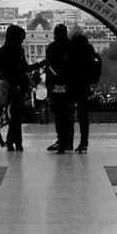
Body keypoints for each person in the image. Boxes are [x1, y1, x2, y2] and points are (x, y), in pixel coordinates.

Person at [0, 24, 30, 152]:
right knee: (16, 117)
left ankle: (12, 142)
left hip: (5, 88)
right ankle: (16, 143)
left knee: (13, 117)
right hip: (17, 87)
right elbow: (24, 68)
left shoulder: (0, 52)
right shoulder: (19, 51)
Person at [43, 24, 75, 153]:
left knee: (59, 116)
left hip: (56, 85)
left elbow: (49, 68)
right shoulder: (72, 47)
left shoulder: (52, 47)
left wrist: (49, 87)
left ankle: (61, 141)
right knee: (69, 115)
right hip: (70, 85)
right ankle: (69, 142)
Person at [69, 27, 99, 151]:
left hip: (71, 84)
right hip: (84, 85)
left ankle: (67, 141)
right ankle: (84, 142)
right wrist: (93, 80)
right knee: (83, 116)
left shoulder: (70, 47)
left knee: (68, 114)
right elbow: (98, 61)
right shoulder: (88, 48)